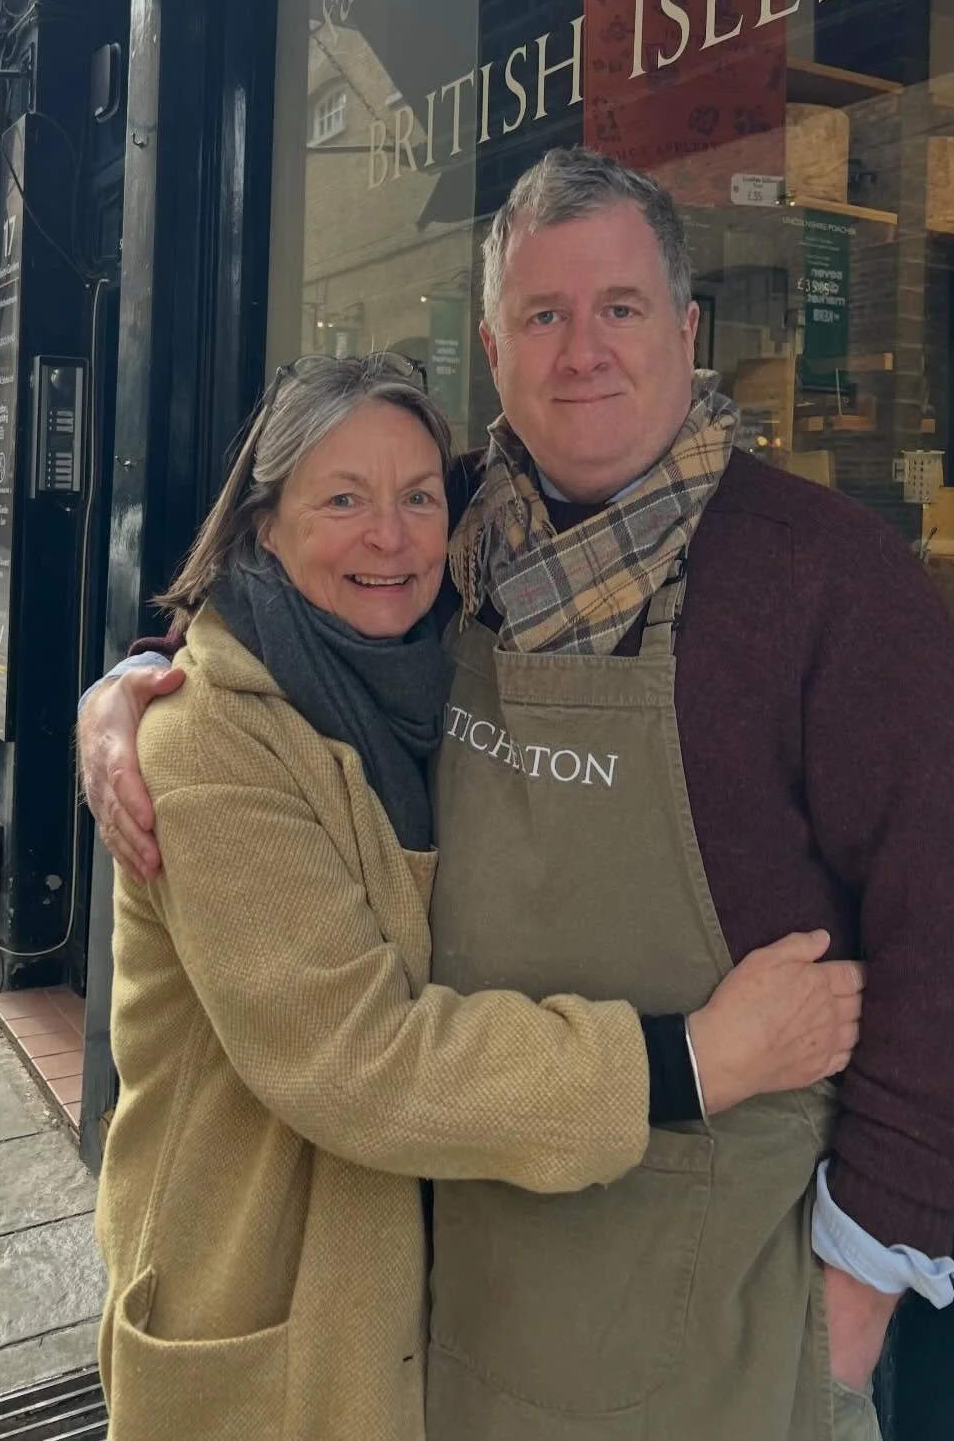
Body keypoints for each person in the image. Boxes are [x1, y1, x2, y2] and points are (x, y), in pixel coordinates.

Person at [82, 150, 954, 1441]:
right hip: (456, 1291)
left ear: (686, 331)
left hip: (721, 1307)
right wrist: (137, 689)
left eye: (620, 307)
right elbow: (288, 611)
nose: (583, 349)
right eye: (543, 313)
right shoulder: (455, 532)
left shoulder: (832, 581)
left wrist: (868, 1271)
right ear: (494, 346)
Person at [93, 350, 864, 1441]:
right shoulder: (204, 745)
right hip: (270, 1314)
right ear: (264, 524)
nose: (391, 536)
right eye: (344, 499)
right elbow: (357, 1063)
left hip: (437, 1307)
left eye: (417, 498)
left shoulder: (446, 677)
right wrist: (695, 1060)